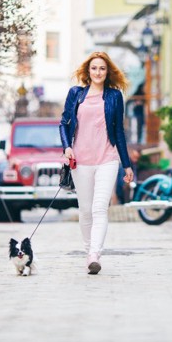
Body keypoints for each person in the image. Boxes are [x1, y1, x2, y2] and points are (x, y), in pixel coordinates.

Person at [59, 51, 134, 275]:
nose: (98, 72)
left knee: (100, 208)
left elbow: (119, 131)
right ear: (88, 71)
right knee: (85, 210)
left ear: (107, 71)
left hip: (107, 159)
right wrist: (67, 147)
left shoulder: (114, 96)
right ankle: (87, 250)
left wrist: (127, 164)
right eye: (94, 68)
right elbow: (63, 122)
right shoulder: (76, 93)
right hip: (80, 160)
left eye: (102, 68)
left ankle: (95, 254)